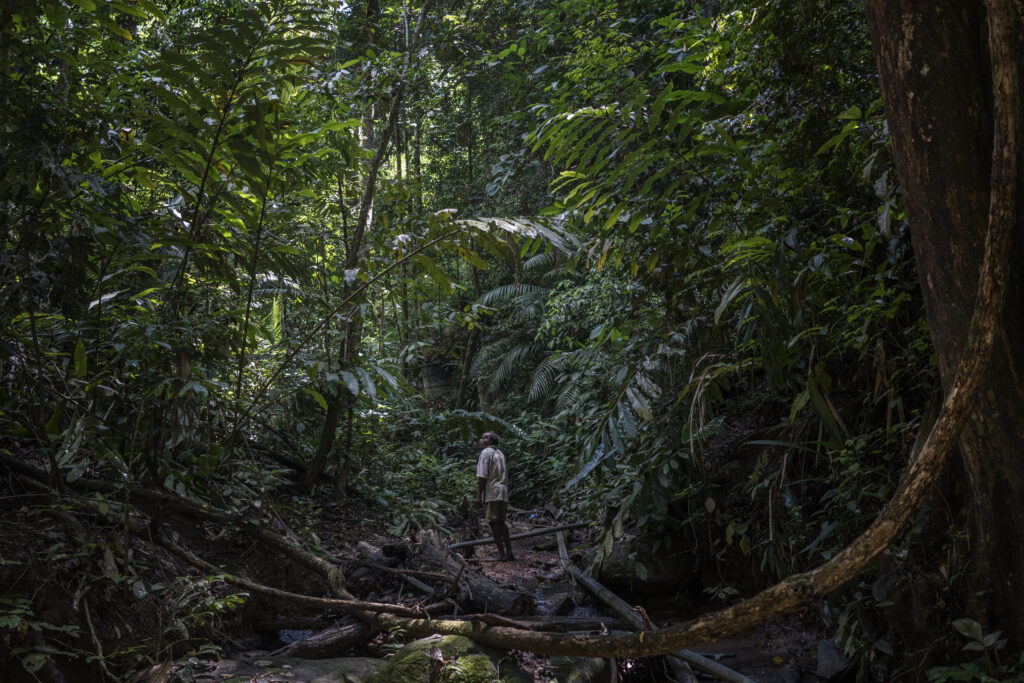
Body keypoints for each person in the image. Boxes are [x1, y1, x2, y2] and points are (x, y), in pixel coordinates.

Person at [475, 431, 514, 561]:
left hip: (492, 491)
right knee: (501, 522)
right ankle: (508, 552)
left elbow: (483, 475)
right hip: (502, 491)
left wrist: (479, 495)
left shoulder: (486, 452)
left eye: (485, 438)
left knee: (493, 523)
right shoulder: (500, 453)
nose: (481, 440)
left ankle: (501, 554)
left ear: (490, 442)